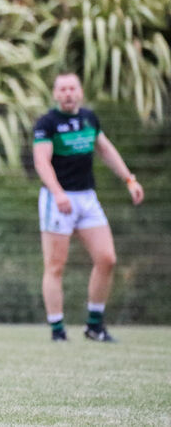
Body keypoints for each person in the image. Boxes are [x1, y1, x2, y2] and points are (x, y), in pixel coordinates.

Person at [32, 72, 144, 342]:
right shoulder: (47, 124)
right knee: (55, 266)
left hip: (87, 199)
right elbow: (41, 161)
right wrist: (58, 193)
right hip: (58, 200)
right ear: (55, 94)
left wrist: (129, 179)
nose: (68, 93)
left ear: (80, 91)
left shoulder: (89, 119)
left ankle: (94, 326)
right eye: (62, 89)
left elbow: (105, 149)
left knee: (107, 259)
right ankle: (57, 329)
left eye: (72, 88)